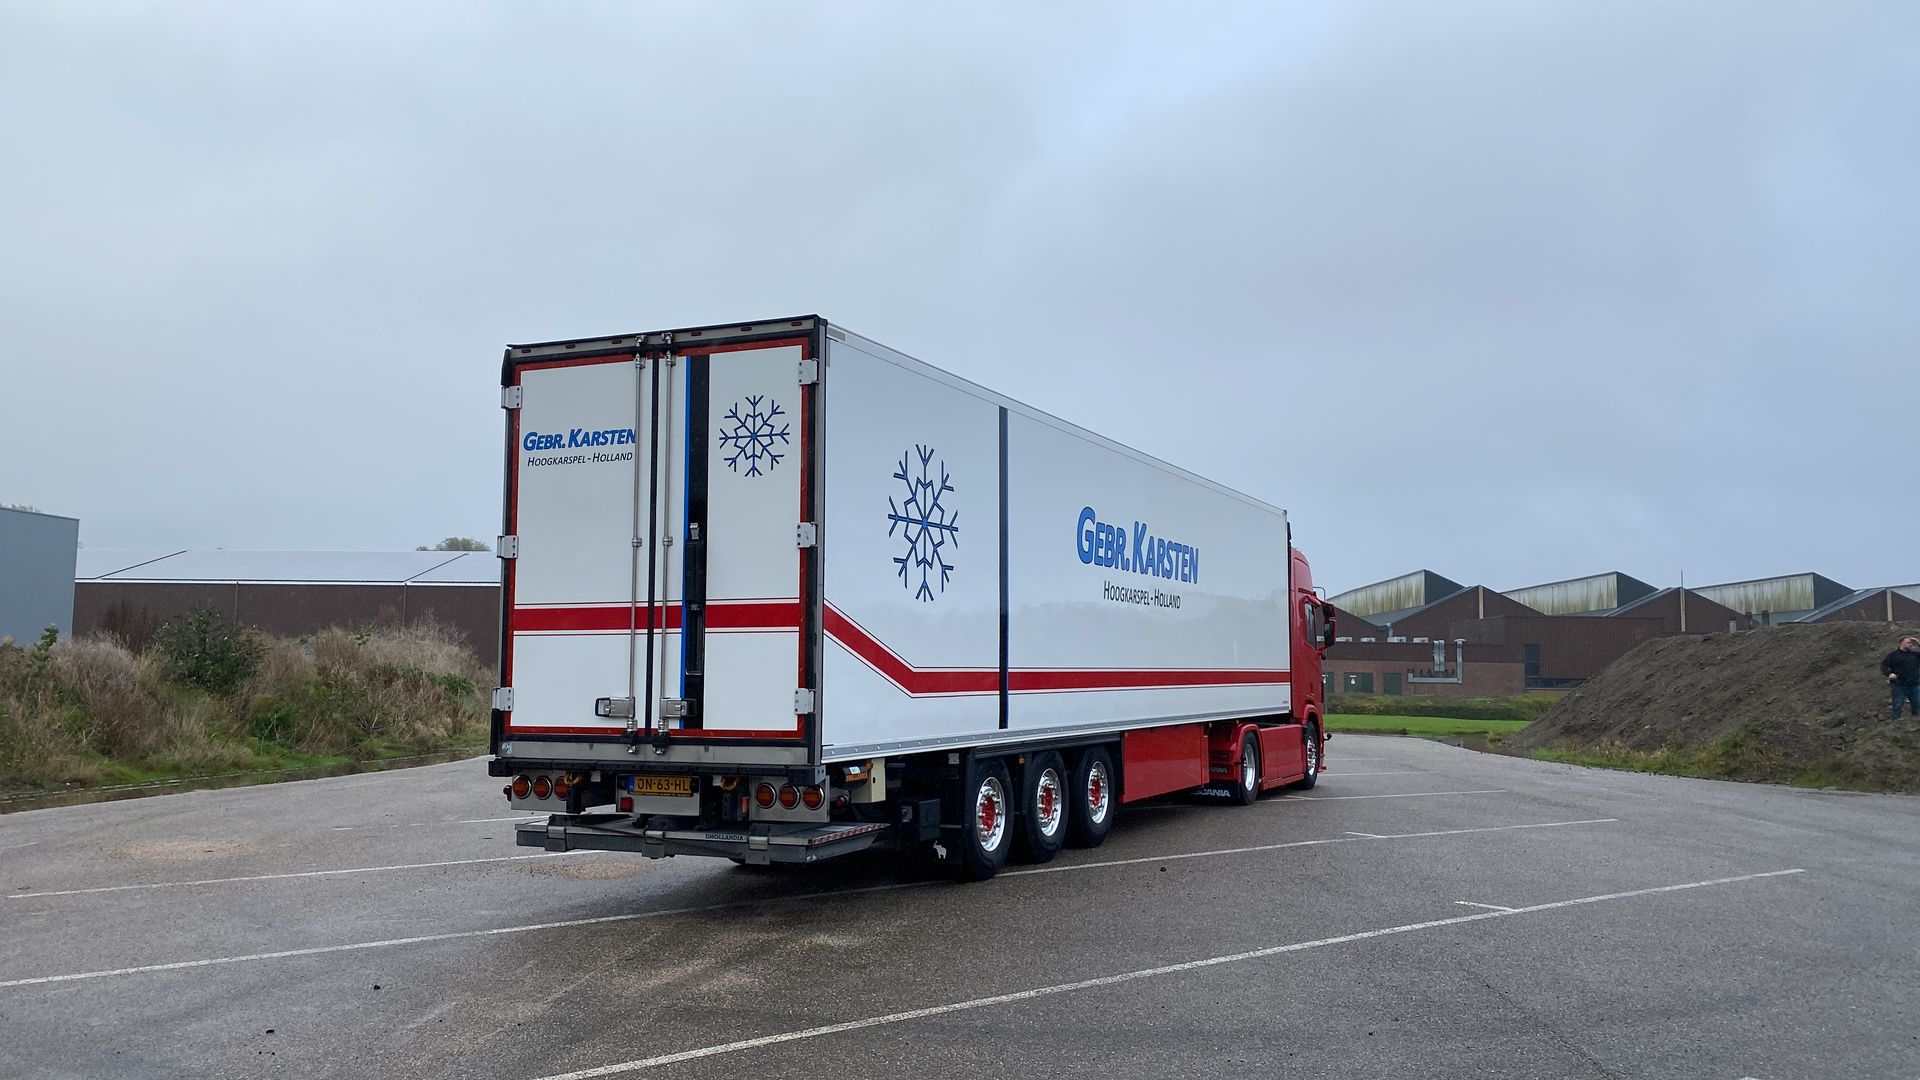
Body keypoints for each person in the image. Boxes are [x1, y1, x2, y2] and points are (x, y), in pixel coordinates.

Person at [1884, 636, 1920, 721]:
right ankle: (1896, 722)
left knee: (1917, 704)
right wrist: (1889, 674)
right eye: (1908, 642)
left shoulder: (1915, 655)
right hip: (1899, 685)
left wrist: (1919, 644)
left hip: (1914, 684)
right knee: (1897, 704)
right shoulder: (1893, 655)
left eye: (1911, 643)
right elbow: (1884, 666)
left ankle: (1915, 721)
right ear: (1901, 643)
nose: (1910, 644)